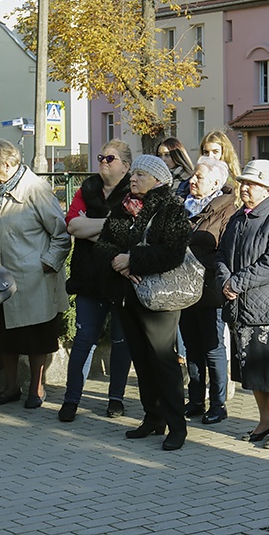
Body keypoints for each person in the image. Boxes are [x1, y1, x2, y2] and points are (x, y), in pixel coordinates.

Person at [94, 154, 191, 451]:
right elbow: (103, 245)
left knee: (163, 360)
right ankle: (153, 417)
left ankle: (177, 426)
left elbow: (173, 252)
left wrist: (134, 260)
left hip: (159, 298)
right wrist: (118, 262)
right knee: (141, 359)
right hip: (128, 294)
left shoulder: (171, 208)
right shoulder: (124, 207)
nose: (133, 179)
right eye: (132, 174)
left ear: (158, 180)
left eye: (140, 175)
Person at [0, 140, 70, 410]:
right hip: (3, 279)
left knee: (36, 337)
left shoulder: (36, 189)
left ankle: (37, 388)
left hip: (34, 278)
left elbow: (61, 233)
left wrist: (47, 264)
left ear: (7, 165)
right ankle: (10, 388)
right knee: (5, 337)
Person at [216, 160, 269, 449]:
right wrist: (225, 279)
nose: (244, 187)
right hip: (242, 308)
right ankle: (264, 419)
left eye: (250, 183)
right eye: (243, 182)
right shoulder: (238, 218)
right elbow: (222, 254)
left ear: (266, 188)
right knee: (252, 369)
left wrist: (235, 283)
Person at [59, 141, 134, 422]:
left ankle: (116, 399)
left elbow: (130, 233)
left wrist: (91, 224)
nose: (103, 161)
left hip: (120, 277)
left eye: (110, 158)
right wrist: (112, 225)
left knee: (120, 340)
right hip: (89, 278)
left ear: (125, 166)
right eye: (101, 156)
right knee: (83, 339)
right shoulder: (87, 188)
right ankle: (71, 400)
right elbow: (72, 225)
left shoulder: (133, 190)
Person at [180, 157, 235, 424]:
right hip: (183, 287)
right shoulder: (184, 204)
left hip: (210, 286)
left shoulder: (227, 208)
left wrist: (196, 257)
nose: (192, 180)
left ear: (216, 182)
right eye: (192, 175)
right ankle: (195, 400)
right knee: (192, 346)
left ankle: (218, 404)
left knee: (213, 348)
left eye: (198, 177)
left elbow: (224, 250)